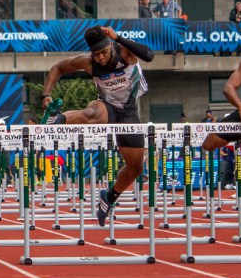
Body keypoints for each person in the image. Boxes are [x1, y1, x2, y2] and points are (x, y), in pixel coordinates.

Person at [39, 25, 154, 226]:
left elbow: (149, 55)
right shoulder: (89, 62)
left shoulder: (125, 53)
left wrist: (118, 37)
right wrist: (46, 95)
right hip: (106, 105)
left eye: (103, 52)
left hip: (128, 112)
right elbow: (58, 67)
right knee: (93, 113)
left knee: (136, 168)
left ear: (110, 45)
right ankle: (56, 119)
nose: (100, 58)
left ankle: (109, 197)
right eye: (96, 54)